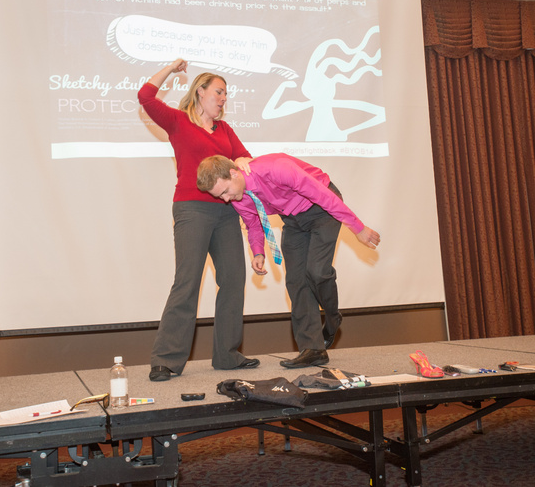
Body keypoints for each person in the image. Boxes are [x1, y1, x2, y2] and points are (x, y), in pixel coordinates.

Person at [196, 154, 381, 368]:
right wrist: (258, 251)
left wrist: (357, 227)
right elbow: (253, 223)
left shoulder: (276, 168)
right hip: (293, 219)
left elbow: (324, 197)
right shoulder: (240, 196)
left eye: (226, 191)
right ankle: (313, 349)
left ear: (234, 173)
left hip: (321, 209)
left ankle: (332, 318)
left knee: (317, 271)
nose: (227, 199)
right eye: (221, 197)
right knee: (295, 281)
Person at [138, 59, 260, 382]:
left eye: (225, 94)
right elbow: (146, 97)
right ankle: (165, 360)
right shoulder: (179, 122)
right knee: (187, 281)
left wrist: (245, 161)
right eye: (218, 92)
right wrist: (169, 68)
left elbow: (244, 161)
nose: (223, 99)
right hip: (191, 209)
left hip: (224, 212)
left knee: (233, 279)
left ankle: (227, 355)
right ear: (200, 92)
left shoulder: (225, 130)